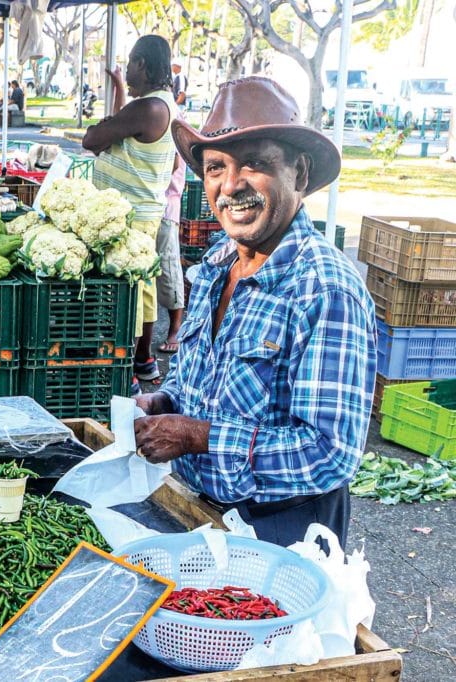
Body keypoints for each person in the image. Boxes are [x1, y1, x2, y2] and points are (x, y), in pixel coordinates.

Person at [134, 76, 375, 550]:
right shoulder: (216, 264)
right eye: (216, 168)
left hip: (284, 532)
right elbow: (201, 377)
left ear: (300, 174)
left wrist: (199, 437)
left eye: (256, 164)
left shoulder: (325, 289)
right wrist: (166, 402)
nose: (231, 185)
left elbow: (329, 454)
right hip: (201, 510)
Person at [81, 35, 178, 394]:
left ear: (142, 64)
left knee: (127, 292)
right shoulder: (162, 104)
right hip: (145, 212)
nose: (129, 74)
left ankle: (129, 375)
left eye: (131, 66)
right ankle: (144, 360)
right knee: (144, 287)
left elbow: (91, 139)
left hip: (129, 214)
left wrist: (105, 129)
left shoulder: (149, 107)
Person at [156, 133, 187, 355]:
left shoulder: (169, 116)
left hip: (165, 206)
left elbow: (174, 162)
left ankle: (176, 330)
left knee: (168, 269)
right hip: (151, 207)